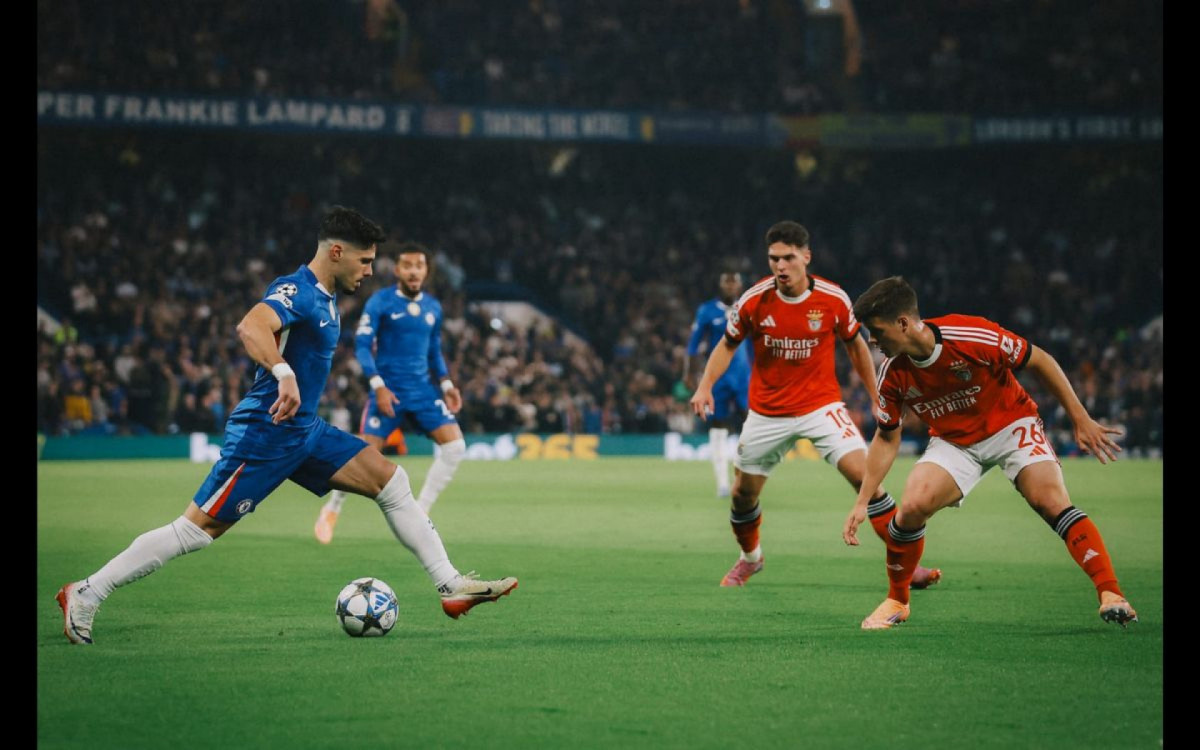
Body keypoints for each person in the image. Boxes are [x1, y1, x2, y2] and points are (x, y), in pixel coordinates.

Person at [55, 207, 517, 645]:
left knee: (391, 480)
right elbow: (251, 327)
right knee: (195, 531)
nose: (372, 270)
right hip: (266, 433)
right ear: (336, 252)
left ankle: (449, 584)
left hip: (304, 431)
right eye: (366, 259)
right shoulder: (298, 290)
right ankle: (87, 591)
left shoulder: (331, 299)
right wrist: (283, 372)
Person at [843, 276, 1135, 629]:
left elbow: (1039, 360)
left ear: (903, 323)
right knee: (912, 508)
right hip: (955, 442)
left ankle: (1111, 593)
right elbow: (887, 438)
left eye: (875, 330)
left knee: (1050, 501)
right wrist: (862, 501)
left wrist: (1079, 417)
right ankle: (897, 601)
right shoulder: (891, 373)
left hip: (1011, 424)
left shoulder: (970, 336)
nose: (871, 340)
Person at [690, 221, 941, 588]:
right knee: (743, 495)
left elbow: (855, 345)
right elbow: (727, 344)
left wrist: (875, 395)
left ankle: (907, 565)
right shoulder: (753, 300)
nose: (780, 266)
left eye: (788, 258)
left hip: (821, 407)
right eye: (774, 258)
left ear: (806, 257)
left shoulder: (833, 299)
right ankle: (751, 558)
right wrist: (705, 385)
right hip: (767, 412)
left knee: (865, 477)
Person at [314, 241, 464, 544]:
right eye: (406, 265)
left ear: (426, 271)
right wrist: (378, 385)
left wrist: (447, 384)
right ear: (396, 270)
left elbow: (434, 350)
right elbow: (361, 346)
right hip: (388, 392)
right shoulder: (381, 302)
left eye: (418, 266)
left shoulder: (433, 307)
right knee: (362, 458)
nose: (412, 271)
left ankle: (420, 511)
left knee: (456, 447)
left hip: (423, 391)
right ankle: (331, 508)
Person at [684, 271, 751, 498]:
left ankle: (745, 478)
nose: (731, 286)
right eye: (727, 282)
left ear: (740, 285)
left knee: (751, 426)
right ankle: (722, 482)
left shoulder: (748, 308)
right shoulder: (707, 311)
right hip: (719, 378)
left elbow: (758, 342)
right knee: (718, 427)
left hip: (744, 377)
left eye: (735, 282)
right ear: (720, 285)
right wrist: (690, 375)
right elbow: (693, 347)